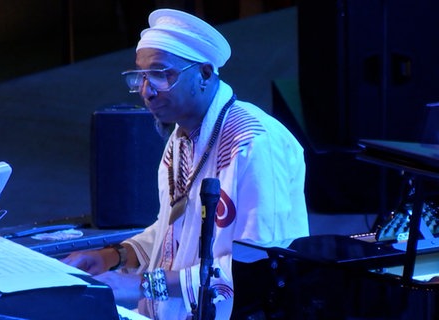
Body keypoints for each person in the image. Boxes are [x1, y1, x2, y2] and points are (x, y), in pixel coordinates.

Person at [62, 8, 310, 319]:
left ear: (205, 74)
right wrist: (115, 255)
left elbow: (262, 265)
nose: (146, 91)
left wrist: (144, 285)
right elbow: (175, 233)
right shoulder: (180, 138)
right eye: (140, 76)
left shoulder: (252, 143)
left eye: (161, 75)